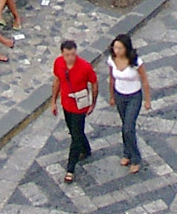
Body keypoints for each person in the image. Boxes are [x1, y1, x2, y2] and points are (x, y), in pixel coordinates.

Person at [52, 38, 97, 183]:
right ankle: (86, 149)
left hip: (80, 105)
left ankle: (70, 168)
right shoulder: (58, 63)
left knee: (75, 136)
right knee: (73, 130)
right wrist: (53, 101)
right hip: (66, 103)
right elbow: (57, 81)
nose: (70, 57)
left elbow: (94, 83)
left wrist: (93, 103)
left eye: (72, 54)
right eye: (67, 55)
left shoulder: (85, 67)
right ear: (62, 54)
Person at [107, 33, 150, 172]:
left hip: (134, 96)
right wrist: (112, 96)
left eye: (120, 48)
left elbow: (144, 80)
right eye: (115, 48)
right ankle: (126, 152)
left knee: (128, 127)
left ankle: (136, 158)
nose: (117, 51)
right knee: (124, 124)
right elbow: (112, 78)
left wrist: (147, 100)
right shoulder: (112, 60)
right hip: (120, 95)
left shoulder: (136, 61)